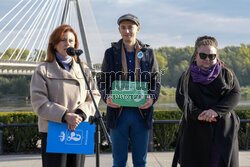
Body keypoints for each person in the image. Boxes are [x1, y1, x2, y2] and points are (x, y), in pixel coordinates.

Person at [30, 24, 100, 167]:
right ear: (54, 44)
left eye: (71, 41)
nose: (68, 44)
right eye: (63, 40)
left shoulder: (83, 69)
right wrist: (65, 115)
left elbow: (94, 95)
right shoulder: (43, 70)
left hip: (79, 128)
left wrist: (81, 113)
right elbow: (39, 102)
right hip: (54, 130)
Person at [97, 13, 161, 167]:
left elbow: (156, 81)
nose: (127, 31)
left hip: (141, 114)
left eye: (130, 27)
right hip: (118, 114)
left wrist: (151, 97)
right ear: (119, 30)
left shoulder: (149, 53)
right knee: (119, 161)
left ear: (137, 29)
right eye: (123, 28)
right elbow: (102, 80)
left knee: (141, 161)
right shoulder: (110, 53)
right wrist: (107, 97)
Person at [172, 35, 241, 167]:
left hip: (222, 130)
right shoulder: (186, 76)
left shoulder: (227, 74)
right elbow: (181, 98)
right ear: (196, 55)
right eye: (203, 55)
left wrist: (215, 111)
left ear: (216, 56)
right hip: (195, 129)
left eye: (212, 56)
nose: (207, 59)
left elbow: (235, 94)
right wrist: (198, 113)